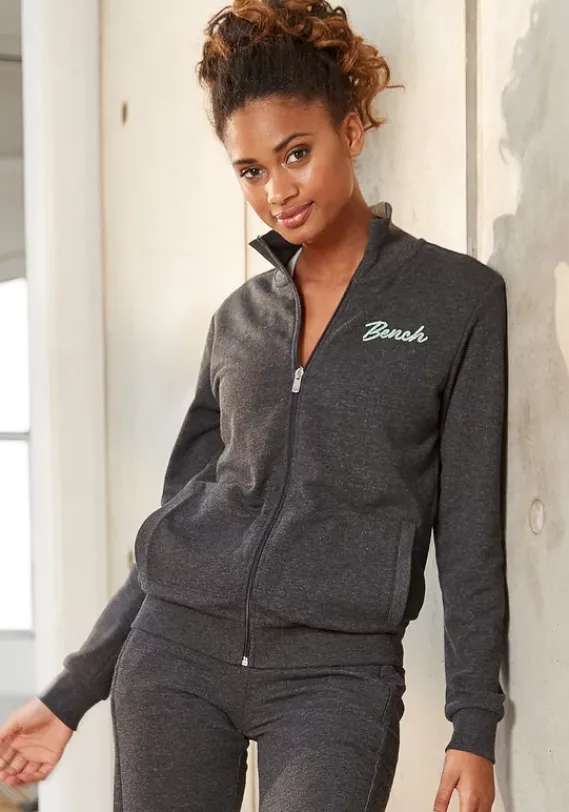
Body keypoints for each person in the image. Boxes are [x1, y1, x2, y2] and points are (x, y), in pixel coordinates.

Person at [0, 2, 509, 810]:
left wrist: (471, 724)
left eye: (295, 153)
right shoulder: (237, 320)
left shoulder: (456, 300)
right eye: (250, 171)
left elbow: (471, 528)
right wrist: (72, 692)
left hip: (336, 678)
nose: (277, 191)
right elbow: (178, 521)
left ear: (351, 130)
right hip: (176, 659)